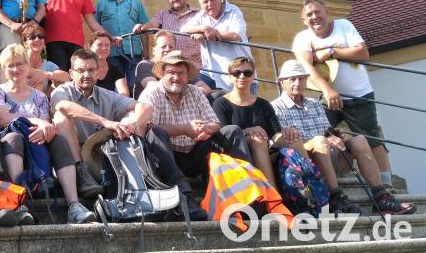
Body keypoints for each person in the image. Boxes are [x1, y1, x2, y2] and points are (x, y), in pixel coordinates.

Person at [51, 49, 207, 221]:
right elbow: (63, 106)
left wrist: (130, 124)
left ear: (97, 72)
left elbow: (144, 107)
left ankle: (137, 180)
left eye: (91, 70)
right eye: (81, 70)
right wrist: (105, 122)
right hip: (71, 163)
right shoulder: (62, 91)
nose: (87, 75)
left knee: (133, 115)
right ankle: (81, 173)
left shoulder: (107, 95)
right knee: (60, 116)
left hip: (101, 159)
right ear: (71, 73)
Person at [271, 60, 415, 215]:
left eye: (301, 78)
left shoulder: (314, 104)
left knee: (359, 140)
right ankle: (335, 197)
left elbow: (326, 132)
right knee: (320, 141)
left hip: (327, 156)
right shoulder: (275, 108)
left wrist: (335, 136)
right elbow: (281, 143)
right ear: (281, 82)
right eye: (292, 79)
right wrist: (322, 139)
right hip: (304, 163)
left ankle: (381, 197)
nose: (297, 83)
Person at [292, 0, 393, 187]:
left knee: (372, 138)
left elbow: (363, 53)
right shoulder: (302, 38)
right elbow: (306, 66)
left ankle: (387, 185)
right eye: (309, 14)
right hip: (328, 98)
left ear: (327, 12)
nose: (314, 17)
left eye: (318, 12)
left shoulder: (343, 26)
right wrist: (328, 90)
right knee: (316, 133)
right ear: (303, 19)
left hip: (360, 94)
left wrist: (332, 51)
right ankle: (315, 179)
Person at [0, 45, 76, 224]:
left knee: (59, 141)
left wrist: (44, 130)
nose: (15, 69)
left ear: (28, 66)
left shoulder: (39, 97)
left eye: (20, 64)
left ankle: (74, 205)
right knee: (14, 138)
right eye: (10, 65)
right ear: (3, 69)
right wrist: (37, 121)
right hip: (6, 150)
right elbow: (4, 119)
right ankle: (17, 202)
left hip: (35, 149)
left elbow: (45, 129)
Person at [139, 50, 252, 181]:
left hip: (196, 153)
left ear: (187, 75)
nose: (176, 77)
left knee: (233, 131)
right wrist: (184, 129)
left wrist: (206, 128)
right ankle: (180, 186)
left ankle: (246, 182)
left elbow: (215, 123)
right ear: (163, 74)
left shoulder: (196, 92)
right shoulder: (152, 93)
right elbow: (147, 128)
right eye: (171, 72)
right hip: (166, 157)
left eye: (181, 73)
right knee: (155, 132)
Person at [212, 57, 306, 187]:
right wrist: (248, 131)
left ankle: (313, 184)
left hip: (266, 151)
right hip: (237, 154)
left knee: (294, 138)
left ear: (253, 76)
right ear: (230, 76)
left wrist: (287, 133)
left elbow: (275, 134)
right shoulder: (221, 103)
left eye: (247, 73)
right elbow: (225, 134)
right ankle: (272, 193)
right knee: (258, 139)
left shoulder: (263, 104)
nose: (242, 76)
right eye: (237, 73)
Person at [180, 0, 256, 93]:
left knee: (243, 103)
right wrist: (203, 28)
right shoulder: (202, 15)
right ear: (201, 5)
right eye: (205, 2)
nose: (210, 4)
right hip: (211, 74)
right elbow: (183, 29)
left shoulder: (233, 10)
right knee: (190, 88)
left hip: (240, 74)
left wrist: (205, 35)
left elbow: (236, 35)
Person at [43, 0, 107, 71]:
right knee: (59, 75)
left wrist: (108, 36)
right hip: (53, 41)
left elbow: (91, 21)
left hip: (76, 42)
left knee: (77, 75)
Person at [135, 0, 205, 84]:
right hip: (167, 67)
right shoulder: (162, 14)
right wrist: (143, 27)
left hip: (193, 69)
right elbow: (153, 24)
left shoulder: (200, 14)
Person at [94, 0, 149, 89]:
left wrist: (146, 53)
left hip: (134, 52)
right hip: (110, 52)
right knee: (113, 86)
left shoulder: (136, 2)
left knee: (135, 85)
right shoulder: (101, 4)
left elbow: (144, 27)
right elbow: (95, 29)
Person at [133, 31, 212, 99]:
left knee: (215, 96)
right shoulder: (145, 65)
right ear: (154, 50)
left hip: (181, 106)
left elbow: (205, 87)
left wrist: (194, 94)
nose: (167, 49)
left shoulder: (180, 66)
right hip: (151, 107)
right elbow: (153, 88)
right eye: (163, 47)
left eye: (171, 47)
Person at [20, 24, 70, 94]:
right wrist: (35, 73)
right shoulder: (19, 61)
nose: (37, 39)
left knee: (60, 83)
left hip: (41, 97)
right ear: (25, 43)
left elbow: (67, 78)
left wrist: (46, 75)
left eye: (40, 37)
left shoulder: (48, 65)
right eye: (32, 37)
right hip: (19, 97)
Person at [86, 31, 128, 96]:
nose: (104, 48)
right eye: (99, 44)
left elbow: (124, 93)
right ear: (90, 46)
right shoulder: (83, 68)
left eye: (107, 45)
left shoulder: (115, 69)